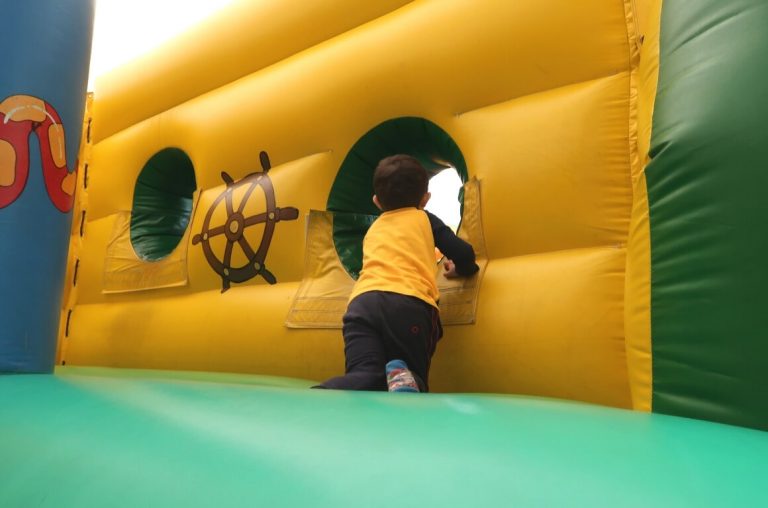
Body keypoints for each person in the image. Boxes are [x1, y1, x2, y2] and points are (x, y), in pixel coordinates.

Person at [317, 154, 479, 392]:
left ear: (376, 201)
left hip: (362, 306)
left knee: (365, 374)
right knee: (412, 379)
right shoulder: (424, 218)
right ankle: (406, 378)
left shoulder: (373, 230)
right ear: (425, 198)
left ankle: (330, 389)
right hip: (408, 304)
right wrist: (463, 270)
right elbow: (463, 253)